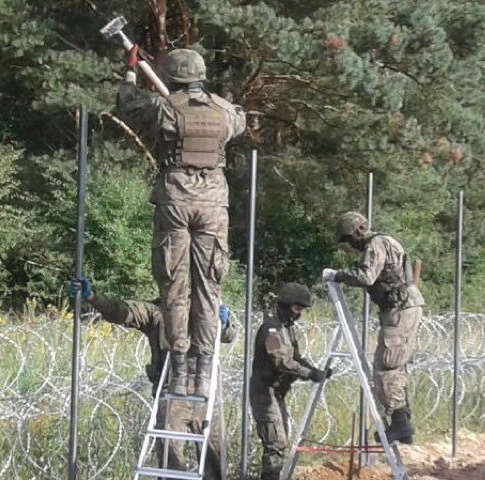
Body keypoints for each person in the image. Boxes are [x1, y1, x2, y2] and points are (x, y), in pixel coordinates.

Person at [116, 46, 246, 396]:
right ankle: (204, 372)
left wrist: (131, 71)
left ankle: (179, 369)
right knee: (208, 288)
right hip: (214, 204)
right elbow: (240, 120)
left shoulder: (163, 108)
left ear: (171, 77)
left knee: (175, 287)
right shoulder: (225, 112)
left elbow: (127, 105)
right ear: (201, 76)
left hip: (176, 200)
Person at [70, 277, 234, 478]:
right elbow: (120, 311)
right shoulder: (156, 312)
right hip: (172, 393)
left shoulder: (206, 308)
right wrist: (92, 297)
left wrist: (223, 323)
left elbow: (228, 336)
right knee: (170, 461)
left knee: (215, 460)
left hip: (205, 393)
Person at [323, 211, 423, 444]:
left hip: (399, 309)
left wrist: (337, 275)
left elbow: (366, 276)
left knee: (386, 368)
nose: (350, 245)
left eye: (349, 239)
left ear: (358, 230)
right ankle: (403, 421)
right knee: (397, 366)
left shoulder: (376, 244)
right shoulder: (388, 241)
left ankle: (400, 424)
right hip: (404, 307)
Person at [250, 283, 330, 480]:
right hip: (264, 393)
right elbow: (280, 360)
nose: (298, 314)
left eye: (301, 310)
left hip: (277, 393)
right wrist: (308, 373)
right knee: (275, 444)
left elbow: (296, 357)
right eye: (296, 309)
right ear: (285, 306)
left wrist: (315, 371)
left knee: (280, 442)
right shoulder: (271, 329)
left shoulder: (287, 329)